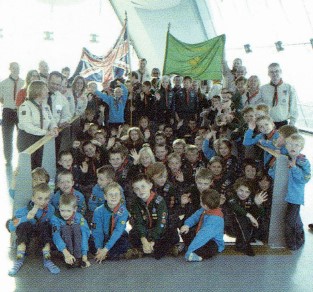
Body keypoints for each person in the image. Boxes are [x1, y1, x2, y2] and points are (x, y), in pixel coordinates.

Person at [7, 183, 60, 276]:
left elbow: (55, 222)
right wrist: (26, 217)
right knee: (24, 226)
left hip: (41, 234)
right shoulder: (24, 210)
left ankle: (47, 260)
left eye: (46, 198)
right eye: (40, 198)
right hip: (27, 233)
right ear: (33, 198)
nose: (43, 202)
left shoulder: (50, 209)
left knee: (45, 226)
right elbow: (11, 226)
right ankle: (19, 260)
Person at [270, 134, 311, 250]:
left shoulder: (303, 161)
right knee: (293, 218)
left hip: (295, 196)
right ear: (286, 146)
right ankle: (298, 236)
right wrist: (274, 165)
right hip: (282, 194)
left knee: (289, 220)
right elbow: (273, 174)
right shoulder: (283, 158)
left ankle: (295, 242)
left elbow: (304, 179)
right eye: (290, 144)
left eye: (296, 145)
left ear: (301, 147)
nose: (293, 147)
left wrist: (294, 168)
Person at [129, 174, 177, 259]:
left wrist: (152, 241)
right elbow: (138, 222)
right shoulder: (135, 203)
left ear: (150, 186)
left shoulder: (159, 201)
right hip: (146, 231)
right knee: (132, 234)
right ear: (134, 190)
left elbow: (161, 223)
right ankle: (147, 248)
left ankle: (150, 248)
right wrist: (144, 240)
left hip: (159, 231)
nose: (140, 191)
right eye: (137, 189)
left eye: (143, 186)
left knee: (171, 234)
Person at [17, 80, 58, 169]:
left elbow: (51, 119)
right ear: (37, 91)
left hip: (42, 138)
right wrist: (45, 132)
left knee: (39, 165)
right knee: (28, 167)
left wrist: (54, 127)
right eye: (45, 89)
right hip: (28, 140)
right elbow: (27, 126)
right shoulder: (25, 106)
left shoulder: (45, 106)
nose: (48, 91)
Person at [92, 182, 137, 262]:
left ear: (120, 196)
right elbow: (97, 231)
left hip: (118, 236)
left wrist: (105, 249)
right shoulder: (98, 211)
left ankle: (109, 253)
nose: (114, 197)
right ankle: (105, 253)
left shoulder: (123, 211)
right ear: (105, 196)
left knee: (123, 243)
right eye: (110, 194)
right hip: (104, 236)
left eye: (116, 194)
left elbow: (118, 231)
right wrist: (99, 248)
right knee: (91, 243)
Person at [180, 189, 224, 261]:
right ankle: (192, 249)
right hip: (201, 235)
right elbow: (195, 217)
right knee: (184, 231)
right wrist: (187, 225)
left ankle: (197, 255)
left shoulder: (215, 219)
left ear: (205, 205)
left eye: (201, 201)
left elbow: (203, 236)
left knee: (210, 248)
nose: (200, 202)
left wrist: (190, 250)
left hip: (212, 241)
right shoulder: (205, 209)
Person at [227, 178, 267, 256]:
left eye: (247, 192)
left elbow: (262, 214)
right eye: (241, 190)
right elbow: (236, 207)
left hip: (245, 228)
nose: (243, 194)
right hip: (229, 226)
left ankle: (243, 243)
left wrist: (258, 204)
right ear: (236, 189)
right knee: (241, 217)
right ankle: (244, 244)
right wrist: (251, 217)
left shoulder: (251, 198)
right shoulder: (231, 196)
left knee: (257, 217)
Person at [51, 194, 91, 268]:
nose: (65, 214)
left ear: (75, 209)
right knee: (65, 228)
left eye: (68, 211)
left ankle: (78, 258)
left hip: (78, 247)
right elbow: (56, 235)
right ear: (59, 207)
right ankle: (69, 258)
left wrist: (84, 255)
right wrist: (66, 253)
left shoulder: (79, 217)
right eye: (62, 210)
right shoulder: (55, 218)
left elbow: (85, 235)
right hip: (63, 248)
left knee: (76, 227)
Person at [0, 62, 24, 166]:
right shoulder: (3, 83)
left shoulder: (24, 82)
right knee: (7, 136)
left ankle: (23, 157)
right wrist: (9, 104)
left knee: (22, 135)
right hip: (8, 111)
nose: (16, 70)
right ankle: (8, 159)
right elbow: (1, 98)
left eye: (17, 68)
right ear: (10, 69)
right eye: (13, 68)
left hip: (20, 112)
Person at [260, 63, 298, 128]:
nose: (274, 74)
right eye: (271, 72)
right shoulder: (262, 89)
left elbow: (293, 107)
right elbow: (260, 107)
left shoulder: (289, 88)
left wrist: (292, 123)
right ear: (268, 74)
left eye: (276, 71)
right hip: (267, 124)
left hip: (283, 124)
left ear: (281, 71)